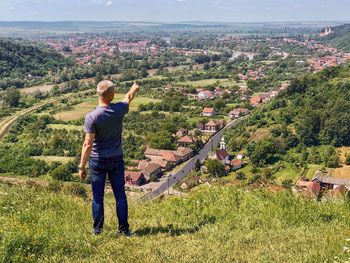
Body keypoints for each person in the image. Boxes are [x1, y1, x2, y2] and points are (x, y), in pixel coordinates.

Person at [78, 80, 139, 236]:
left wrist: (82, 166)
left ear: (98, 94)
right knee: (120, 195)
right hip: (116, 159)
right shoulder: (119, 110)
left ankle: (98, 231)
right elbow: (128, 98)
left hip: (97, 161)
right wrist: (134, 88)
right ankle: (124, 231)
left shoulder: (92, 116)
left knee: (97, 197)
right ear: (111, 95)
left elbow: (87, 145)